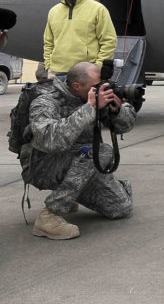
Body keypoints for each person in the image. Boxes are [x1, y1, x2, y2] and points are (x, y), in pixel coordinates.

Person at [27, 62, 136, 239]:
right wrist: (90, 108)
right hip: (45, 165)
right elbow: (48, 140)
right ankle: (49, 215)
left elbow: (126, 127)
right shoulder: (46, 100)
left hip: (83, 159)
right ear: (76, 86)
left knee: (121, 208)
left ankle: (72, 194)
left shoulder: (90, 97)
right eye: (96, 87)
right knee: (101, 151)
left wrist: (117, 112)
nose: (100, 90)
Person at [43, 0, 117, 81]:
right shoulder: (53, 11)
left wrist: (97, 67)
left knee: (89, 100)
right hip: (56, 73)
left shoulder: (98, 10)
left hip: (85, 74)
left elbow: (109, 41)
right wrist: (49, 65)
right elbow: (48, 42)